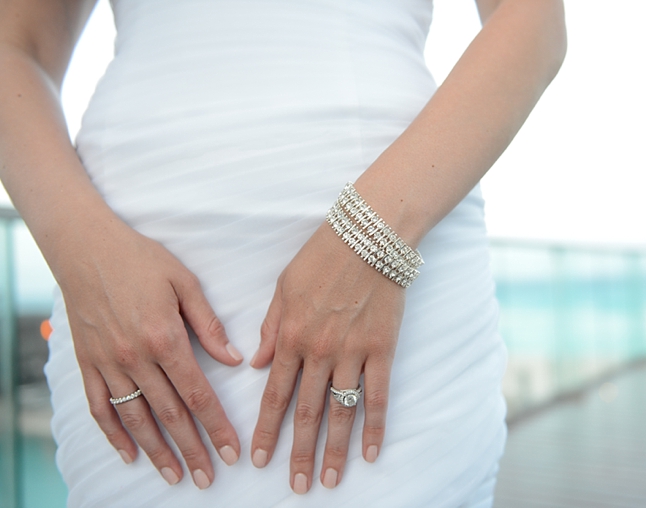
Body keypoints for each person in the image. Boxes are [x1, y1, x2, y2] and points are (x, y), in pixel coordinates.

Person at [0, 0, 566, 506]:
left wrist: (371, 238)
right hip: (121, 291)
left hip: (399, 240)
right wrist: (83, 257)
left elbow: (532, 18)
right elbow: (15, 47)